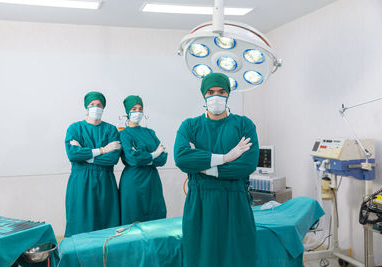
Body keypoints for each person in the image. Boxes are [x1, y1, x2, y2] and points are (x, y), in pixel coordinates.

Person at [174, 73, 260, 267]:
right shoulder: (190, 126)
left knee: (236, 257)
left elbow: (246, 165)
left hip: (235, 201)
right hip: (200, 204)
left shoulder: (244, 125)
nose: (216, 96)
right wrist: (225, 158)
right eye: (210, 92)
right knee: (201, 258)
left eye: (221, 92)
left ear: (228, 94)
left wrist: (203, 168)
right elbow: (181, 158)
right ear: (203, 95)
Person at [64, 91, 121, 237]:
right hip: (81, 182)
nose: (96, 107)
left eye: (99, 105)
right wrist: (103, 150)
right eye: (92, 105)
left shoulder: (111, 130)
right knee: (80, 223)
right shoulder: (75, 128)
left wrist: (85, 156)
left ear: (104, 108)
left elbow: (112, 159)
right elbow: (73, 154)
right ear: (86, 107)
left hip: (105, 181)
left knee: (106, 223)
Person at [119, 95, 167, 225]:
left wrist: (144, 156)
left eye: (140, 108)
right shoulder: (124, 134)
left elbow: (163, 158)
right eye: (134, 109)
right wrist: (154, 154)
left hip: (152, 180)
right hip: (133, 181)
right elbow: (132, 158)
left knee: (156, 217)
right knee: (133, 218)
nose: (138, 112)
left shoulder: (150, 132)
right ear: (128, 112)